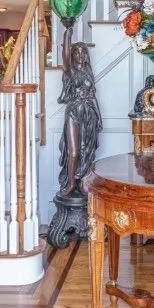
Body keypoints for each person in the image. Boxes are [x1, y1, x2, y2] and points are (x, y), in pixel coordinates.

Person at [57, 22, 102, 196]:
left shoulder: (89, 73)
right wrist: (68, 32)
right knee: (74, 151)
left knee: (86, 150)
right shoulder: (69, 71)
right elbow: (65, 55)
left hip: (89, 113)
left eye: (84, 52)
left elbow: (93, 96)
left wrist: (99, 118)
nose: (81, 55)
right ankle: (70, 183)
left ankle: (83, 182)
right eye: (77, 52)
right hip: (74, 111)